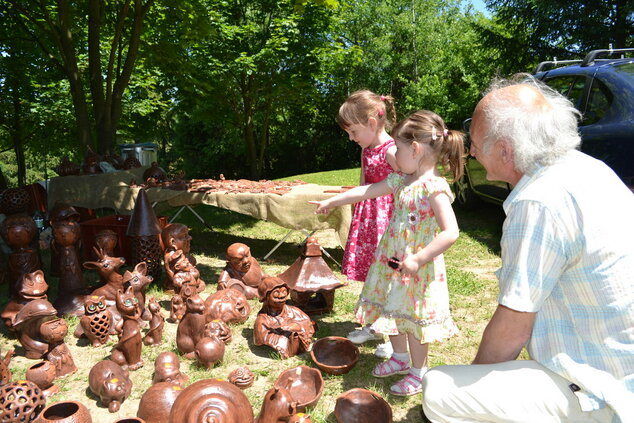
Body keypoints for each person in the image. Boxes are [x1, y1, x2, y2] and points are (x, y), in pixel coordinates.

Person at [421, 76, 634, 422]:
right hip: (619, 364)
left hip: (606, 390)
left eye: (475, 142)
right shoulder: (591, 168)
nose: (471, 151)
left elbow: (513, 327)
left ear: (505, 150)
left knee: (439, 390)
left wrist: (474, 391)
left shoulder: (537, 202)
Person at [311, 110, 464, 396]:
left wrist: (419, 259)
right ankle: (399, 358)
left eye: (399, 149)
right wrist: (333, 200)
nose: (393, 155)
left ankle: (419, 373)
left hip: (417, 269)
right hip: (392, 262)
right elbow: (367, 190)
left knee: (412, 317)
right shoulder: (401, 180)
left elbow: (451, 232)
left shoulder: (433, 188)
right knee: (390, 308)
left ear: (415, 149)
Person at [336, 90, 399, 356]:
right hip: (368, 219)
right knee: (372, 275)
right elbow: (364, 183)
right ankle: (373, 326)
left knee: (389, 278)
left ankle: (392, 335)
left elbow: (405, 186)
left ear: (372, 123)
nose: (352, 139)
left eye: (353, 132)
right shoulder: (367, 149)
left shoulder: (394, 150)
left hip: (387, 221)